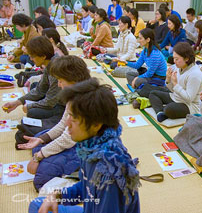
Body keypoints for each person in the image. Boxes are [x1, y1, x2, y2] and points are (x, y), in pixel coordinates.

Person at [28, 78, 140, 213]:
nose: (67, 123)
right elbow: (87, 187)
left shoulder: (109, 170)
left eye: (73, 119)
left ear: (96, 124)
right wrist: (58, 195)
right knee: (37, 205)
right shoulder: (90, 146)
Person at [18, 55, 91, 190]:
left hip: (87, 147)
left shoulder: (83, 101)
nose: (58, 84)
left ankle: (80, 174)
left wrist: (38, 157)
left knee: (40, 181)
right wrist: (40, 140)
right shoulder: (75, 94)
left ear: (73, 79)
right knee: (39, 141)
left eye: (60, 81)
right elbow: (63, 124)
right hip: (75, 140)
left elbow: (67, 139)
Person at [3, 36, 64, 119]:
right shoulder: (49, 64)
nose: (31, 59)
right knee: (34, 87)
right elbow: (40, 90)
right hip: (56, 99)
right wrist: (17, 102)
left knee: (32, 112)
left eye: (32, 56)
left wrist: (30, 106)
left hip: (64, 105)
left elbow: (50, 102)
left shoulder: (56, 68)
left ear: (43, 56)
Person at [149, 42, 202, 122]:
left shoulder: (195, 74)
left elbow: (189, 99)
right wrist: (168, 80)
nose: (174, 61)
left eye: (177, 59)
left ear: (186, 58)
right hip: (177, 97)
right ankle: (160, 112)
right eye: (174, 58)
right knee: (153, 93)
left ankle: (164, 111)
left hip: (190, 105)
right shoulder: (179, 67)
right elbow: (173, 90)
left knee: (169, 109)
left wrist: (175, 84)